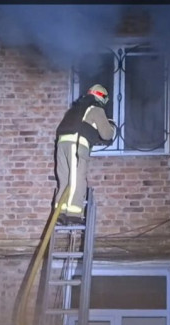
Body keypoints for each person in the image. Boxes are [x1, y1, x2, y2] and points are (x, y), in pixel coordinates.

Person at [54, 84, 116, 226]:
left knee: (65, 181)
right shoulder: (96, 109)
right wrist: (111, 126)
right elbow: (107, 134)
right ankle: (74, 214)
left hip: (62, 145)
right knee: (78, 179)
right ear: (102, 98)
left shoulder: (75, 109)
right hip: (76, 145)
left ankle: (60, 213)